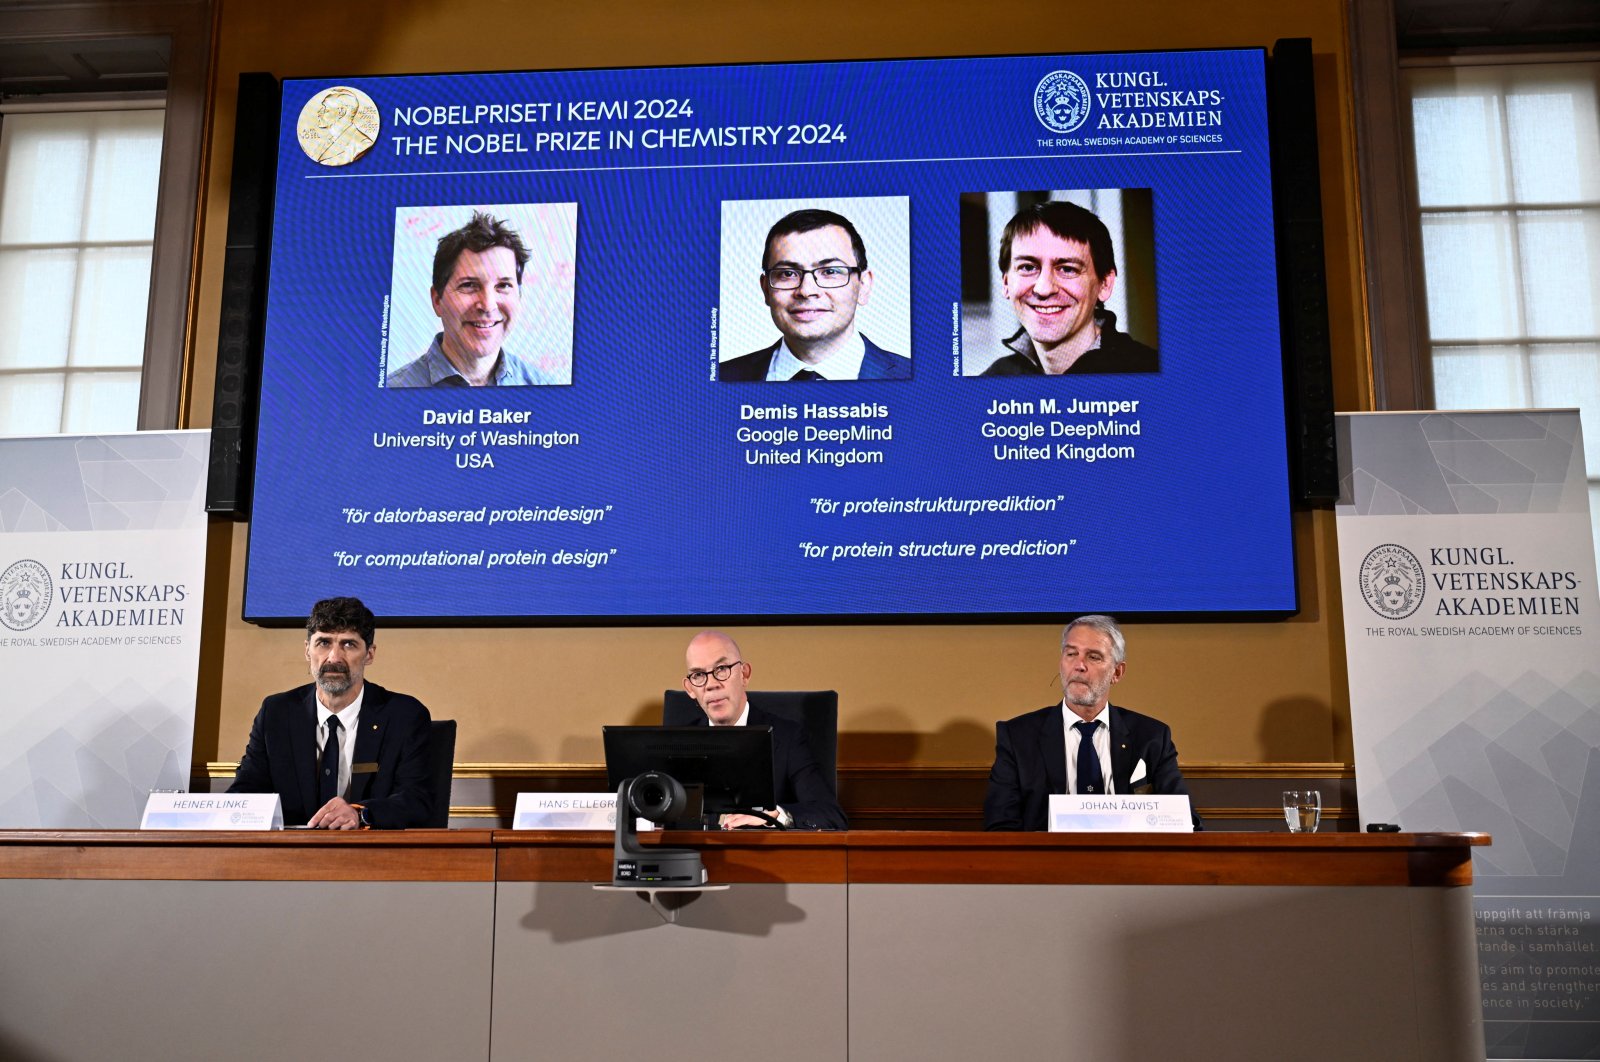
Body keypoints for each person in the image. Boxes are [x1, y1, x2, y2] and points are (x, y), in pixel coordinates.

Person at [228, 597, 433, 828]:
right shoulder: (276, 713)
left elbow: (417, 800)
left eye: (348, 644)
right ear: (307, 650)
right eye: (324, 643)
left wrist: (360, 813)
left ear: (370, 654)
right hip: (289, 856)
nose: (334, 658)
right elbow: (246, 792)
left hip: (372, 854)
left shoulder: (404, 716)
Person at [982, 614, 1197, 830]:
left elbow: (1186, 823)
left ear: (1117, 672)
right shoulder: (1018, 737)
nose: (1079, 665)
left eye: (1093, 657)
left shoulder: (1152, 737)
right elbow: (1000, 828)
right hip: (1047, 860)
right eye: (1071, 654)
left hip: (1128, 860)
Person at [680, 630, 847, 829]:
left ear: (744, 674)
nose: (712, 685)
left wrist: (777, 815)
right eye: (699, 675)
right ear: (690, 689)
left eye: (721, 669)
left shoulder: (788, 738)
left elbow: (830, 815)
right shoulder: (680, 744)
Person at [721, 208, 910, 381]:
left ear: (863, 286)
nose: (806, 291)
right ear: (766, 289)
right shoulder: (721, 377)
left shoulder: (920, 379)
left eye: (830, 271)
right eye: (788, 274)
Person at [981, 200, 1159, 376]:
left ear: (1104, 284)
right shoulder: (993, 380)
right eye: (1028, 267)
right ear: (1005, 283)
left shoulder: (1150, 371)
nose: (1043, 289)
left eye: (1067, 269)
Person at [386, 211, 554, 387]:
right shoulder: (390, 395)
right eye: (469, 285)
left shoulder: (548, 391)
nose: (488, 306)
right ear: (437, 300)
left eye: (503, 285)